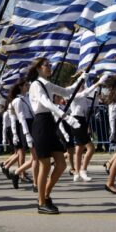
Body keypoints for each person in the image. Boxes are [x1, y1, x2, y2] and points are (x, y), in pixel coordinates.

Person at [27, 58, 83, 215]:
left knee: (61, 164)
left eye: (50, 65)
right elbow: (46, 103)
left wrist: (81, 79)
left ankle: (46, 195)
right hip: (41, 124)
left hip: (50, 123)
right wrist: (67, 117)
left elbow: (67, 92)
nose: (49, 67)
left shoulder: (48, 84)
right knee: (45, 165)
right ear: (38, 68)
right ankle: (41, 203)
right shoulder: (35, 85)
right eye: (46, 65)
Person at [69, 74, 106, 183]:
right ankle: (83, 170)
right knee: (91, 148)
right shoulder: (74, 94)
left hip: (83, 122)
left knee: (79, 149)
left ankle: (76, 172)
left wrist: (97, 92)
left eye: (83, 85)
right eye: (80, 85)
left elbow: (94, 104)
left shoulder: (84, 98)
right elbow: (84, 93)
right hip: (76, 121)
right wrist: (97, 84)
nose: (83, 87)